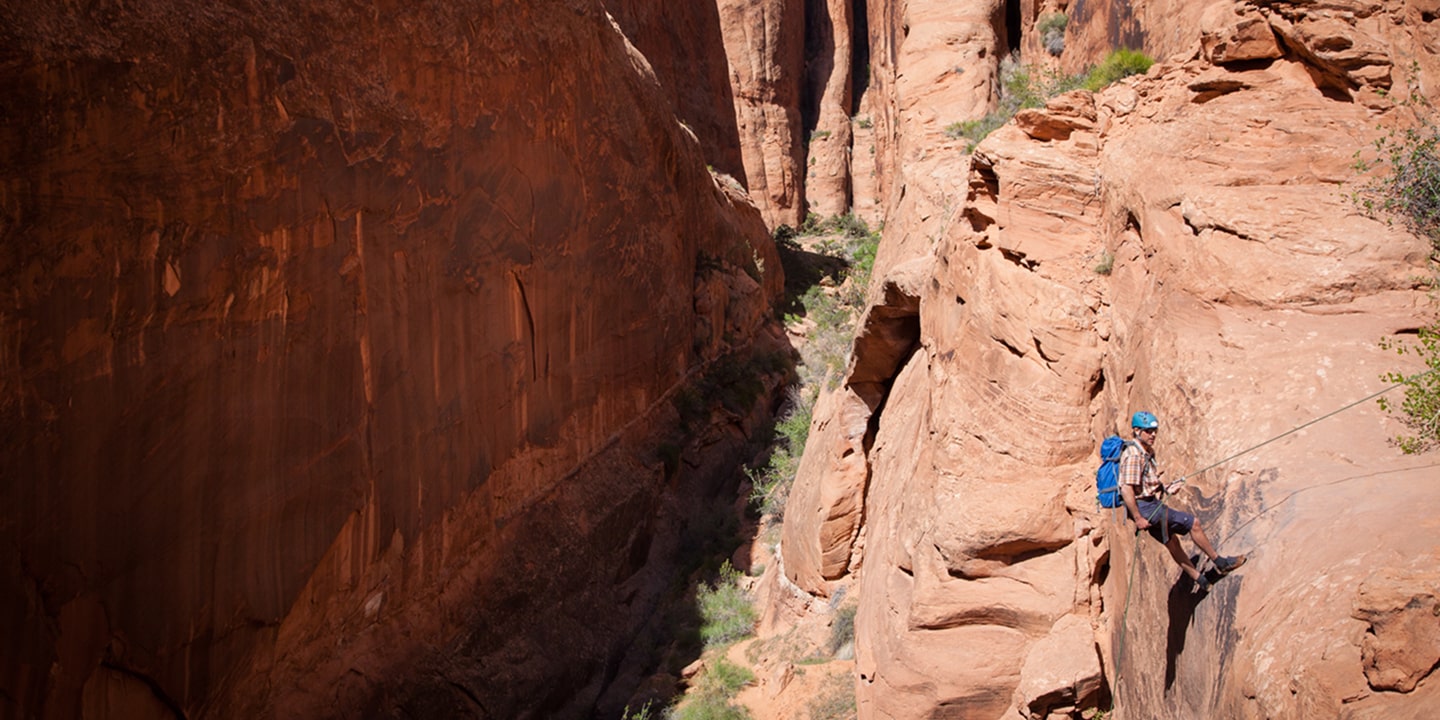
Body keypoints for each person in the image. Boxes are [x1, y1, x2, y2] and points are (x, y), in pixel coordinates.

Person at [1119, 411, 1245, 591]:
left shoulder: (1146, 451)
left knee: (1171, 541)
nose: (1153, 435)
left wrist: (1166, 488)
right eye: (1148, 431)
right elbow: (1126, 488)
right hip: (1145, 508)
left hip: (1149, 503)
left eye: (1155, 431)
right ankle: (1220, 563)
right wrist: (1138, 517)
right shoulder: (1133, 455)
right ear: (1137, 431)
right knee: (1193, 523)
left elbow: (1145, 482)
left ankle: (1201, 580)